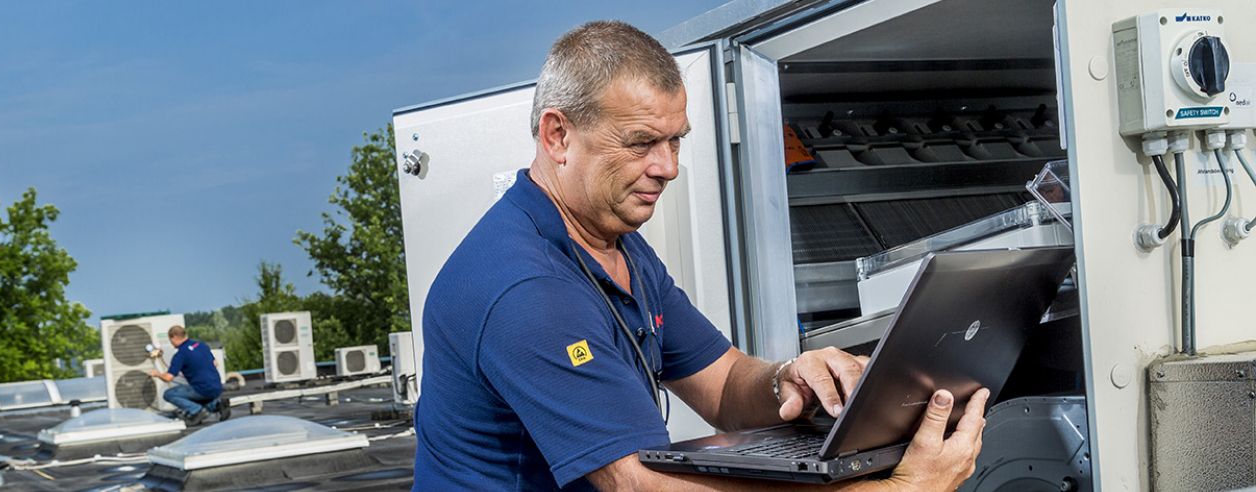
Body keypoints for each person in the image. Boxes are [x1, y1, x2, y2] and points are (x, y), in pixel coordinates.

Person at [412, 21, 990, 491]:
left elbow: (723, 385)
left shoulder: (615, 244)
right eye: (641, 142)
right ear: (558, 136)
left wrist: (788, 380)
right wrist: (902, 489)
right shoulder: (525, 288)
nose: (667, 167)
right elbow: (639, 486)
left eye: (676, 139)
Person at [148, 325, 230, 425]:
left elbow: (168, 378)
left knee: (169, 394)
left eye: (170, 340)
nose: (171, 343)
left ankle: (196, 411)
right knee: (195, 398)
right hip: (217, 386)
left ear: (174, 337)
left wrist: (156, 374)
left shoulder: (181, 354)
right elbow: (215, 363)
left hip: (202, 388)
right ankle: (217, 404)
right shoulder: (201, 345)